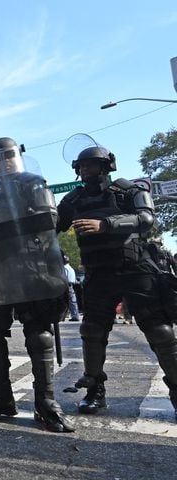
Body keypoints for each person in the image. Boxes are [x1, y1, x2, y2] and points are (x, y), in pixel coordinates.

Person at [57, 136, 177, 419]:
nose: (87, 170)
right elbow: (52, 225)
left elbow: (146, 220)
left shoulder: (127, 191)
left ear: (106, 165)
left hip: (136, 269)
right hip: (99, 274)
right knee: (92, 332)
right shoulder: (73, 200)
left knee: (160, 332)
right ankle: (95, 390)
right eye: (83, 166)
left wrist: (106, 224)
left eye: (93, 165)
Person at [0, 137, 74, 432]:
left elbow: (50, 220)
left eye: (6, 156)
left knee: (38, 333)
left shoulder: (33, 183)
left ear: (16, 157)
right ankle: (2, 394)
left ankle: (46, 401)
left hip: (31, 263)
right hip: (0, 266)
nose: (2, 162)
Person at [63, 255, 81, 322]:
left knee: (65, 301)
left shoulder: (64, 268)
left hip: (65, 286)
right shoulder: (71, 268)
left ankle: (65, 315)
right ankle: (75, 315)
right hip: (71, 285)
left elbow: (64, 278)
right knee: (73, 301)